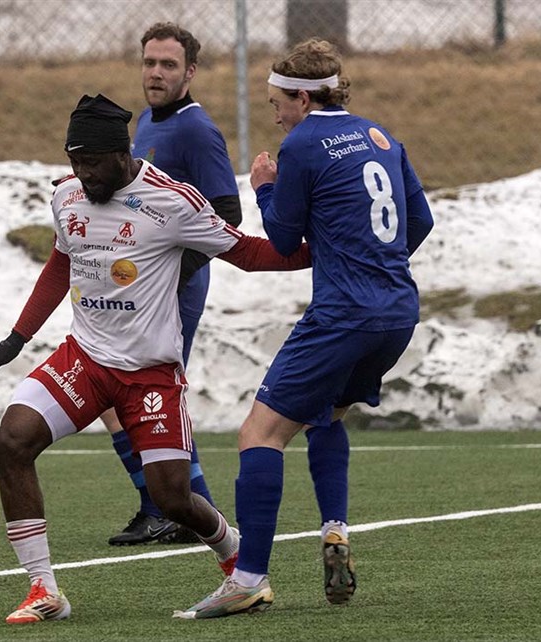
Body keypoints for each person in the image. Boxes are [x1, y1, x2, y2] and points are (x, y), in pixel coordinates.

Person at [0, 93, 311, 624]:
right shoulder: (68, 197)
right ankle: (43, 590)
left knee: (173, 499)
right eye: (75, 162)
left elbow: (247, 253)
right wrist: (14, 341)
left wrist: (328, 249)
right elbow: (60, 265)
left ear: (123, 155)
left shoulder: (172, 202)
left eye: (92, 163)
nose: (83, 175)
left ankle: (233, 552)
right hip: (84, 360)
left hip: (150, 377)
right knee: (12, 440)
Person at [175, 38, 434, 619]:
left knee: (258, 435)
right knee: (326, 415)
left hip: (343, 315)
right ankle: (335, 528)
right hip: (397, 313)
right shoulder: (380, 135)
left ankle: (247, 579)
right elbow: (420, 219)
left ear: (303, 99)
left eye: (276, 103)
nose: (274, 115)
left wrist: (264, 185)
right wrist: (375, 261)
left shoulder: (301, 145)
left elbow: (285, 236)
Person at [103, 22, 243, 547]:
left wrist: (171, 272)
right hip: (137, 289)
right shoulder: (145, 121)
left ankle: (179, 510)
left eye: (168, 64)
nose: (156, 73)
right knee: (118, 395)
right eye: (149, 63)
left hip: (174, 290)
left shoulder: (196, 130)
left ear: (190, 72)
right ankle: (172, 508)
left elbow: (227, 214)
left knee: (147, 395)